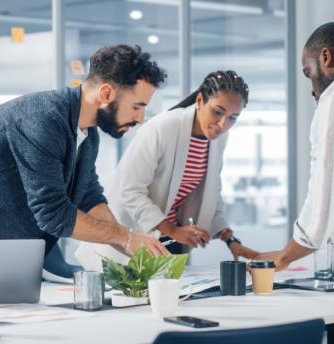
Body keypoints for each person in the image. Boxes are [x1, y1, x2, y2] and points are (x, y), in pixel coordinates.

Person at [0, 44, 168, 289]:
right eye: (137, 106)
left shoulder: (88, 135)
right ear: (106, 94)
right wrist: (124, 236)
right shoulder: (42, 119)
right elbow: (53, 213)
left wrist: (129, 243)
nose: (140, 118)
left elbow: (89, 197)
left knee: (9, 308)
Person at [77, 70, 259, 270]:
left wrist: (230, 240)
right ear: (199, 100)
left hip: (168, 241)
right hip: (131, 238)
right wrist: (172, 229)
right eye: (218, 112)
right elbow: (130, 190)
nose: (223, 124)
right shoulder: (164, 127)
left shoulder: (218, 138)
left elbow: (212, 190)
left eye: (233, 118)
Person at [255, 22, 334, 270]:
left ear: (326, 58)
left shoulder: (330, 101)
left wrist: (284, 257)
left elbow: (322, 188)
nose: (312, 89)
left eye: (308, 73)